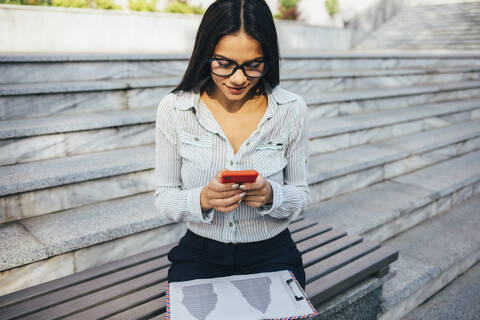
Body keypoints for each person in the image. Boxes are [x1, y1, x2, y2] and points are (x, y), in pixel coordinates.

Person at [154, 0, 311, 289]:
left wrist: (270, 195)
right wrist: (202, 199)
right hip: (200, 253)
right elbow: (163, 197)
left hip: (272, 252)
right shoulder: (175, 109)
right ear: (204, 54)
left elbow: (301, 196)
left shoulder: (291, 109)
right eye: (224, 64)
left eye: (253, 65)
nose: (238, 78)